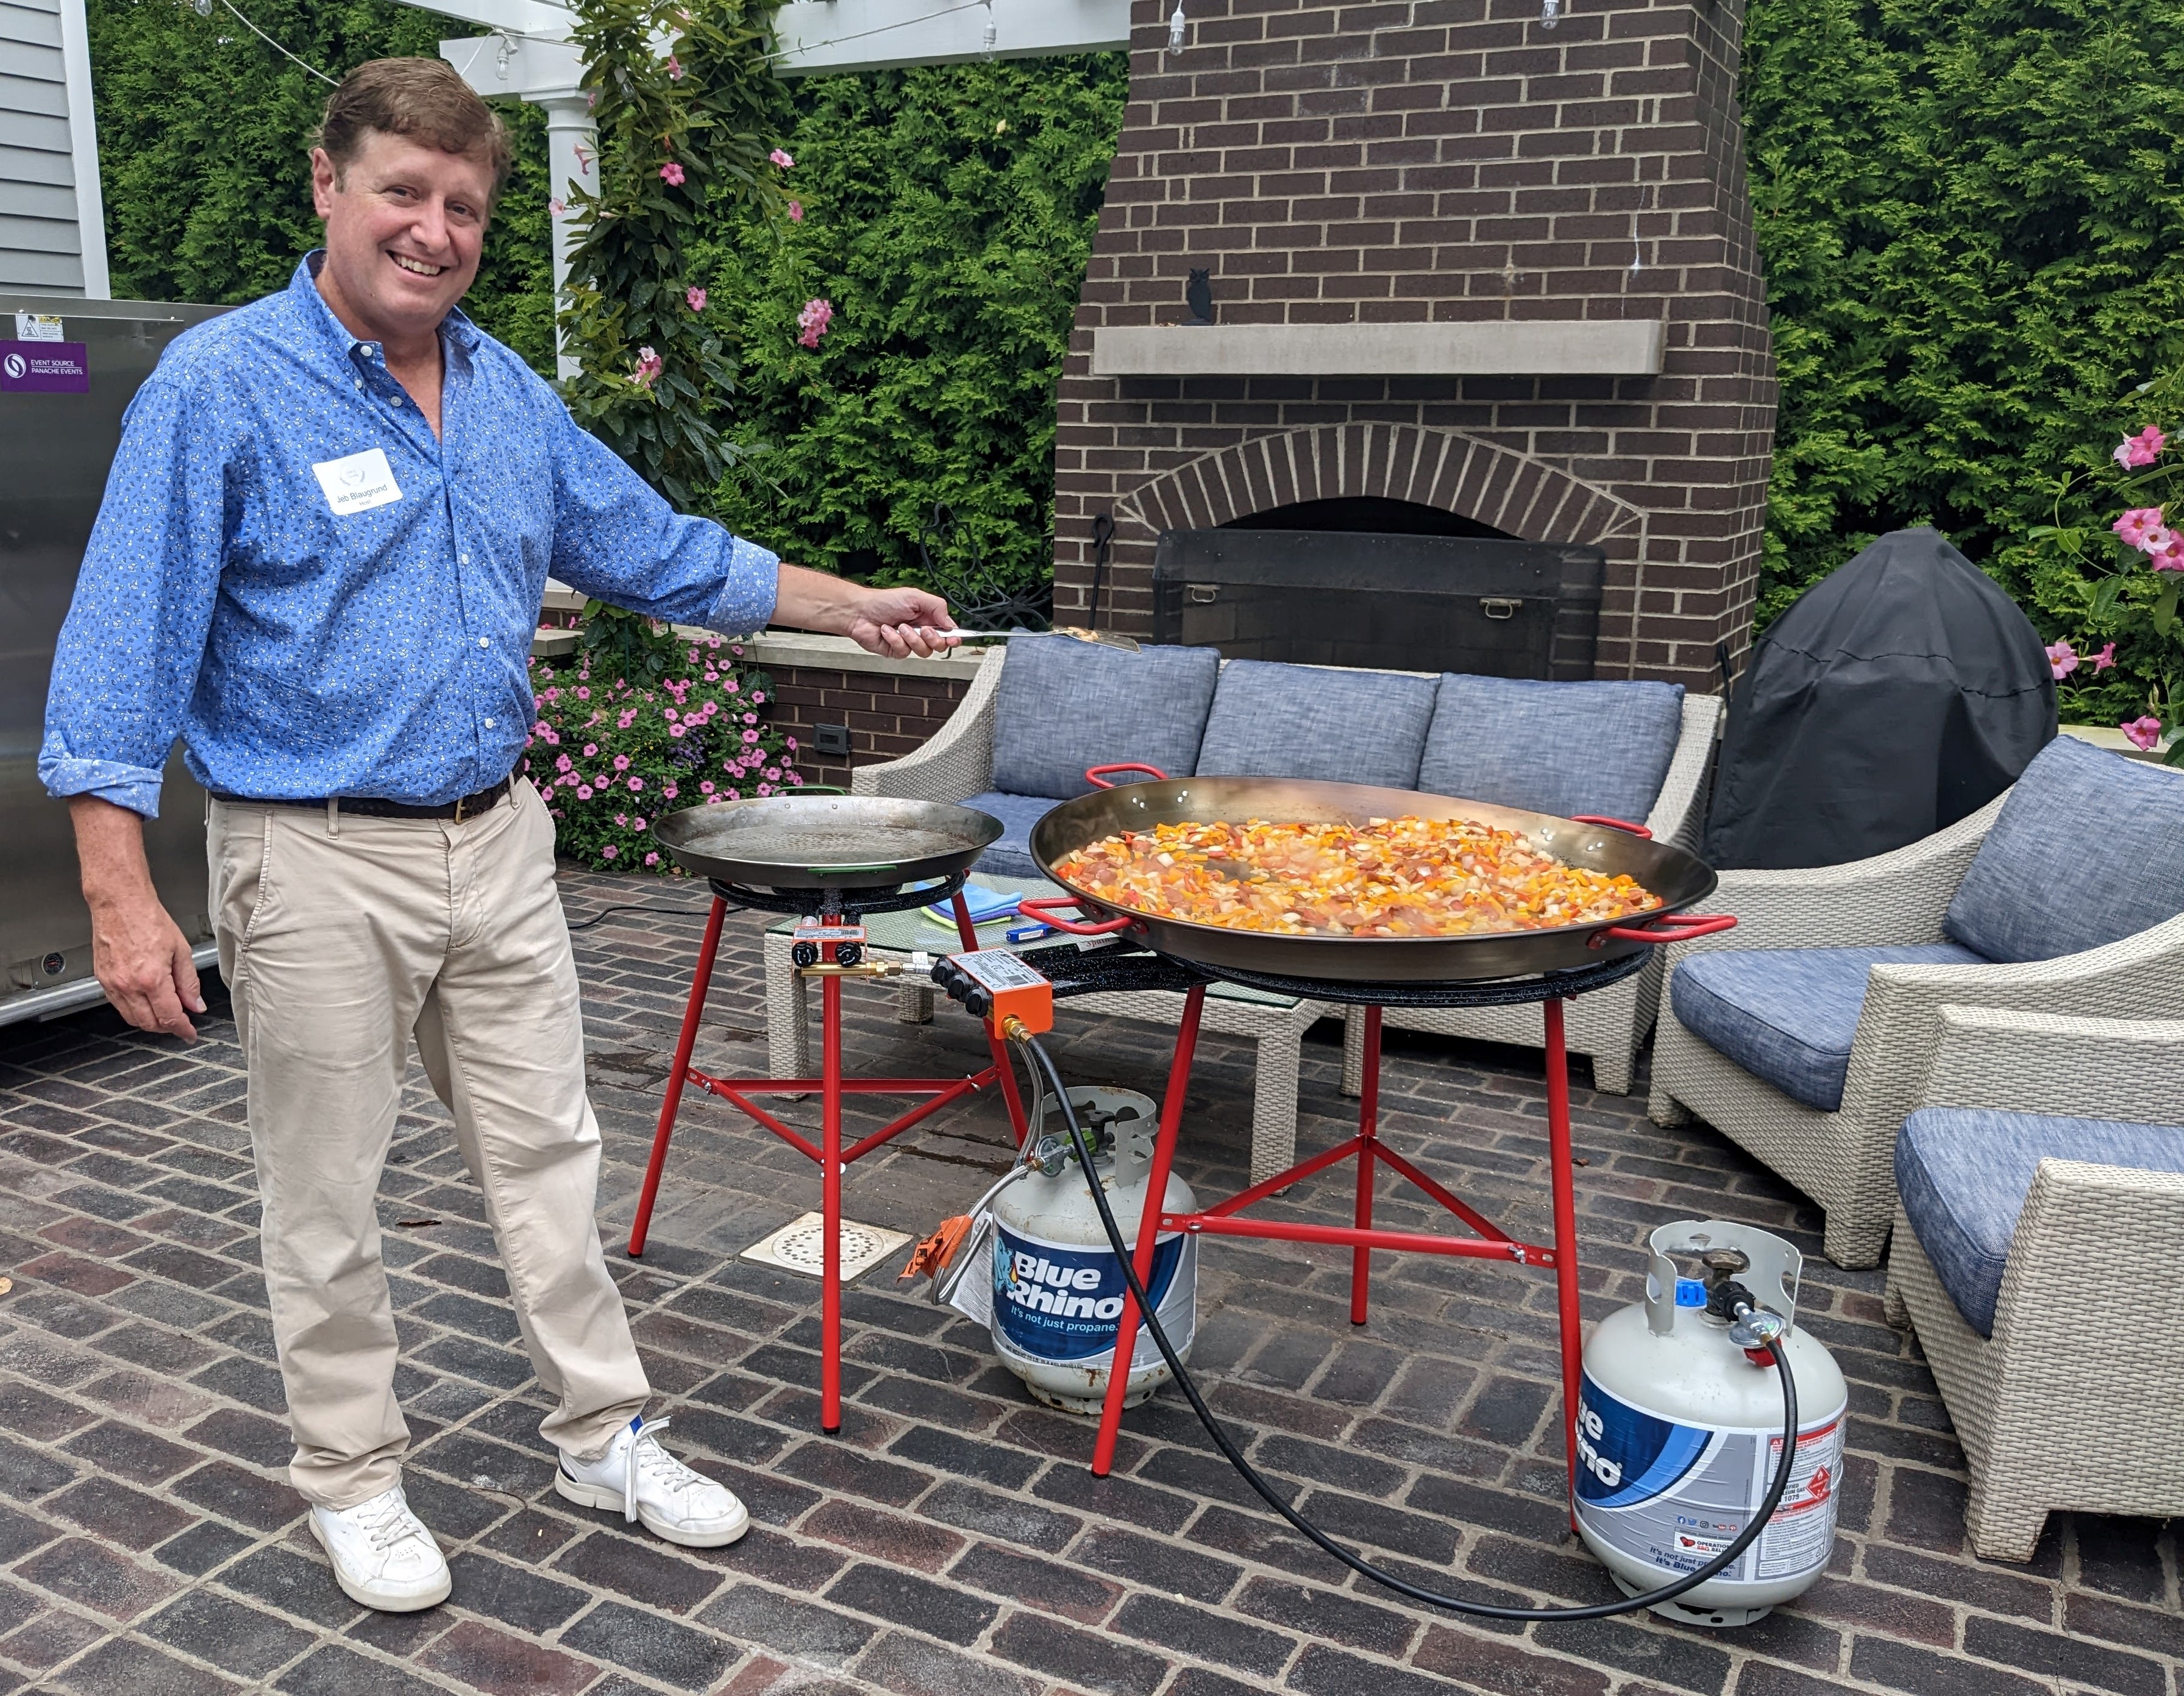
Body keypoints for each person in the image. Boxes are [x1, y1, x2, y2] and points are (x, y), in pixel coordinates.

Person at [38, 58, 959, 1614]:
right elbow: (121, 651)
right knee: (325, 1196)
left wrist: (848, 603)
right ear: (326, 186)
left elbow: (654, 551)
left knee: (551, 1162)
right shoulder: (218, 386)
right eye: (403, 190)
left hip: (500, 842)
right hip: (315, 850)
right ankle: (353, 1478)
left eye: (463, 206)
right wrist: (120, 896)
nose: (433, 229)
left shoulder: (507, 393)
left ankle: (602, 1432)